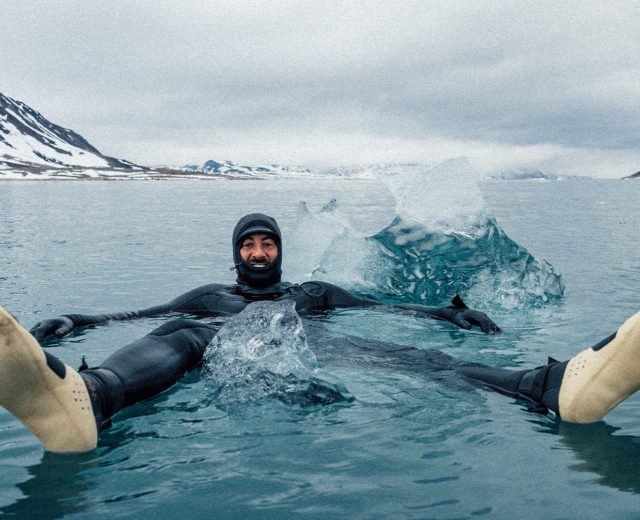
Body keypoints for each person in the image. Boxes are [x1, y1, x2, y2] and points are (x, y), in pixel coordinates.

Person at [1, 213, 640, 453]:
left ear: (279, 251)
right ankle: (90, 398)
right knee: (179, 331)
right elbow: (136, 317)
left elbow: (383, 308)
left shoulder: (312, 295)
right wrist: (79, 320)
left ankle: (546, 386)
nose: (257, 251)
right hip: (209, 344)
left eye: (266, 242)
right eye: (248, 244)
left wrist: (447, 314)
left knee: (410, 357)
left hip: (305, 343)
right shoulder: (207, 299)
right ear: (236, 254)